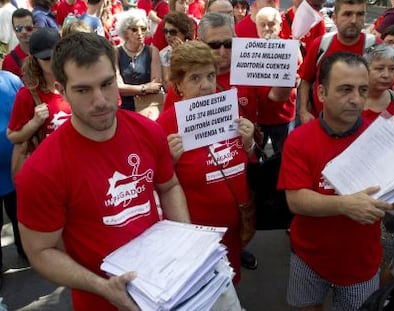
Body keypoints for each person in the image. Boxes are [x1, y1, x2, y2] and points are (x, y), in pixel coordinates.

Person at [16, 32, 191, 311]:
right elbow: (40, 251)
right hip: (99, 299)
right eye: (83, 90)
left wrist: (185, 241)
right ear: (61, 90)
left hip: (165, 285)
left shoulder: (148, 131)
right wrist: (103, 288)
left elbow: (168, 186)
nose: (100, 100)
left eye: (107, 84)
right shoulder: (41, 170)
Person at [278, 52, 394, 310]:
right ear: (320, 93)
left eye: (362, 90)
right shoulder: (299, 139)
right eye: (345, 89)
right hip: (308, 258)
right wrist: (346, 205)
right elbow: (296, 199)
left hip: (361, 265)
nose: (356, 99)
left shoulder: (383, 138)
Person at [157, 40, 255, 285]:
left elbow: (248, 161)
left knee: (230, 286)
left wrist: (249, 142)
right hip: (196, 236)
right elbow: (156, 187)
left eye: (210, 75)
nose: (206, 86)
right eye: (195, 78)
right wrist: (168, 162)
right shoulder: (165, 126)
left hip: (233, 229)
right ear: (178, 84)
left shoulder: (229, 110)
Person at [298, 0, 377, 125]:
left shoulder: (376, 47)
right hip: (321, 124)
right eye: (347, 14)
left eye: (360, 14)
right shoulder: (320, 45)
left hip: (362, 129)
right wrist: (303, 111)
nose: (353, 20)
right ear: (334, 18)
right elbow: (306, 80)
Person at [7, 28, 71, 145]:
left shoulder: (76, 83)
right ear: (34, 58)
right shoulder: (27, 95)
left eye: (56, 54)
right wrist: (34, 123)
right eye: (46, 57)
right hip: (51, 161)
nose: (53, 61)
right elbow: (12, 136)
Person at [254, 6, 296, 154]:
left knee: (284, 157)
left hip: (283, 118)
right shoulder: (248, 51)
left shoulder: (292, 50)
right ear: (256, 27)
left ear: (280, 26)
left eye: (271, 24)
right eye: (262, 24)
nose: (267, 28)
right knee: (255, 158)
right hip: (257, 118)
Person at [0, 70, 25, 287]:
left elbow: (23, 112)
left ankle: (26, 250)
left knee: (19, 213)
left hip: (13, 167)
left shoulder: (10, 79)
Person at [115, 8, 162, 112]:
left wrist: (129, 89)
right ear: (125, 31)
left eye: (143, 28)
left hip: (147, 108)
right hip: (124, 109)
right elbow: (117, 87)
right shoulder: (116, 52)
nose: (140, 33)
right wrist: (144, 89)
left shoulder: (152, 51)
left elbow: (155, 85)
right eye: (134, 29)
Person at [362, 43, 394, 123]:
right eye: (379, 68)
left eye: (392, 69)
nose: (386, 75)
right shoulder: (350, 99)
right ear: (366, 69)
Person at [159, 11, 194, 90]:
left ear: (184, 32)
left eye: (172, 32)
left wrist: (182, 53)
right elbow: (168, 85)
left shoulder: (195, 50)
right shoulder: (164, 54)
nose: (168, 35)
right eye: (165, 31)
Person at [2, 8, 34, 79]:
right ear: (14, 30)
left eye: (28, 28)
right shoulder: (9, 61)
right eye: (18, 29)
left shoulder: (44, 52)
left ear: (35, 27)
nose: (24, 32)